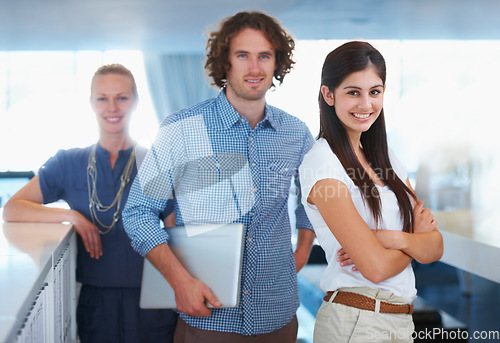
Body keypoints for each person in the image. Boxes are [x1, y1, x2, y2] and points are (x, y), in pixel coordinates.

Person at [122, 11, 316, 343]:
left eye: (264, 56)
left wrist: (301, 252)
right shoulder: (181, 130)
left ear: (276, 63)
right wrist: (179, 282)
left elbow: (311, 202)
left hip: (279, 317)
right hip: (209, 319)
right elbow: (137, 214)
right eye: (243, 56)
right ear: (224, 62)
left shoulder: (296, 134)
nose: (254, 68)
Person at [3, 64, 178, 342]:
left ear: (135, 103)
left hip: (153, 300)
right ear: (91, 103)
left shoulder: (157, 163)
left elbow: (177, 234)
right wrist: (71, 216)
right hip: (95, 304)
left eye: (121, 97)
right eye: (102, 98)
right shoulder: (68, 162)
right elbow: (12, 209)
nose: (112, 107)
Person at [298, 41, 444, 342]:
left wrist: (394, 239)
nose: (366, 105)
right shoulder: (322, 161)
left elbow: (436, 247)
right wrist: (415, 240)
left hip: (399, 320)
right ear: (328, 94)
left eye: (374, 92)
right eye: (353, 92)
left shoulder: (386, 158)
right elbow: (375, 268)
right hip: (356, 319)